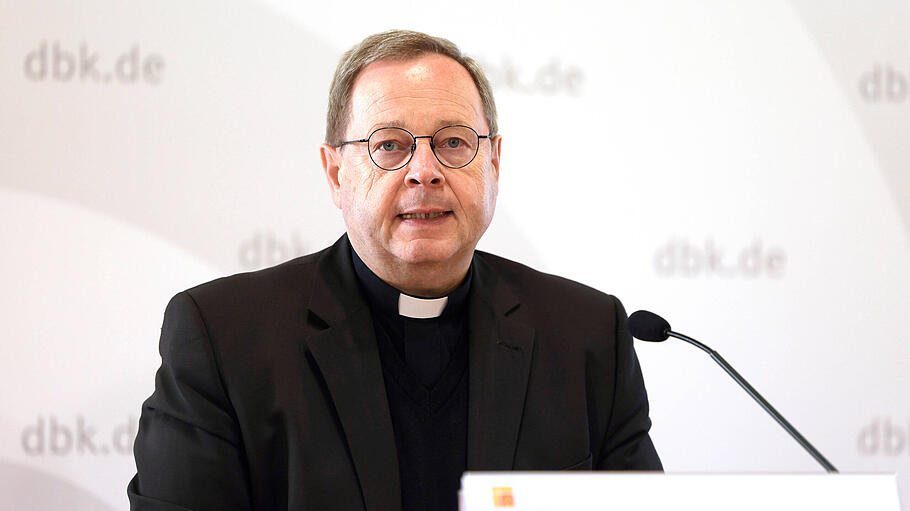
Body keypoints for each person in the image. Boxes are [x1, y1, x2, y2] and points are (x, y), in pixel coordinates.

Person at [128, 30, 661, 511]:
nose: (424, 172)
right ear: (335, 173)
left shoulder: (588, 334)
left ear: (494, 164)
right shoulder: (222, 338)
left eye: (454, 142)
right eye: (389, 146)